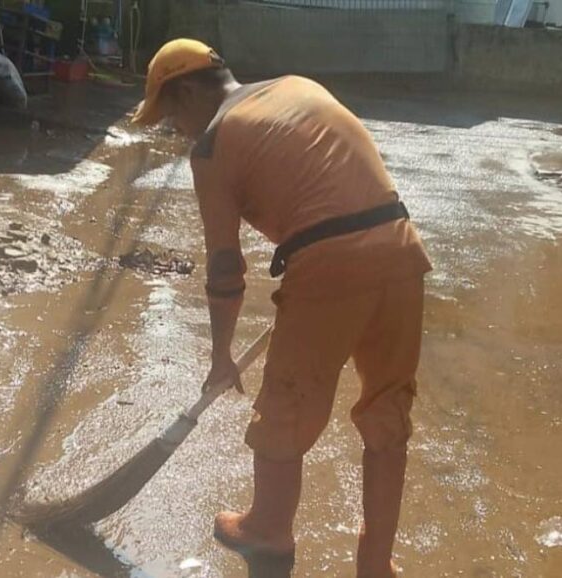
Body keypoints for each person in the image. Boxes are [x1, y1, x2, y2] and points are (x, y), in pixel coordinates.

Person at [133, 39, 431, 578]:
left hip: (329, 263)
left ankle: (268, 530)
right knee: (389, 411)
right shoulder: (298, 86)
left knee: (285, 409)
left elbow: (226, 270)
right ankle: (375, 562)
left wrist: (220, 356)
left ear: (189, 91)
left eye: (171, 116)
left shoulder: (214, 143)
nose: (176, 131)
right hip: (401, 249)